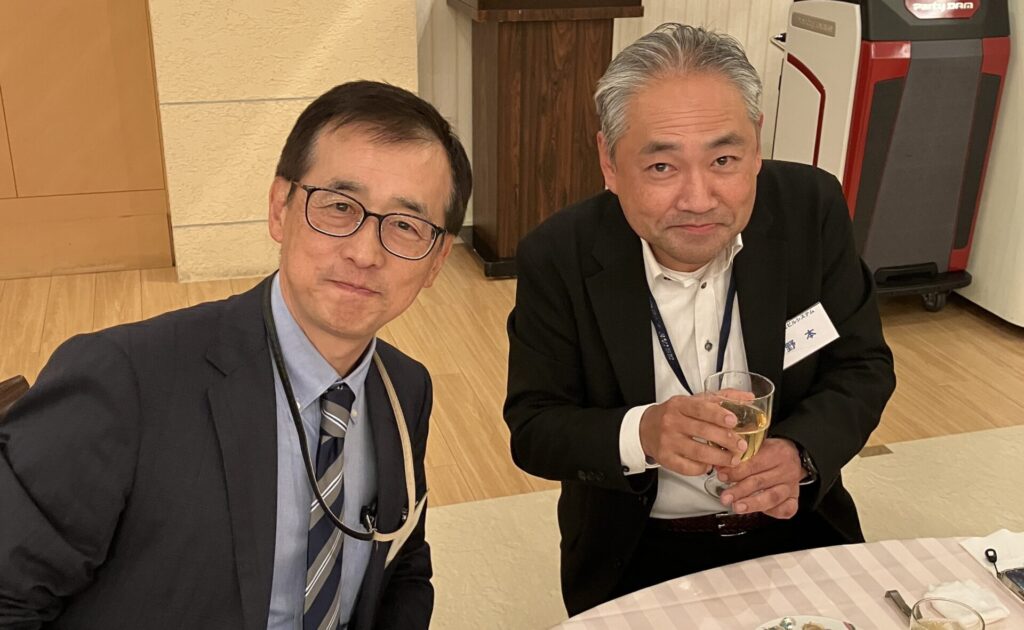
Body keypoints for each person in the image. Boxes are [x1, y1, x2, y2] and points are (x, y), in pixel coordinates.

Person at [0, 80, 471, 630]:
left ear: (437, 260)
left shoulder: (405, 389)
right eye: (340, 207)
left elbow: (403, 564)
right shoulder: (120, 382)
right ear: (279, 209)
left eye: (406, 226)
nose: (365, 253)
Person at [504, 24, 896, 615]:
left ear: (756, 145)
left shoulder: (810, 210)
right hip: (637, 549)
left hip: (797, 523)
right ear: (609, 161)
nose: (698, 199)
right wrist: (643, 432)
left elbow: (862, 366)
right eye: (662, 166)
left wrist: (801, 453)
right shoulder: (558, 255)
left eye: (723, 159)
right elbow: (534, 427)